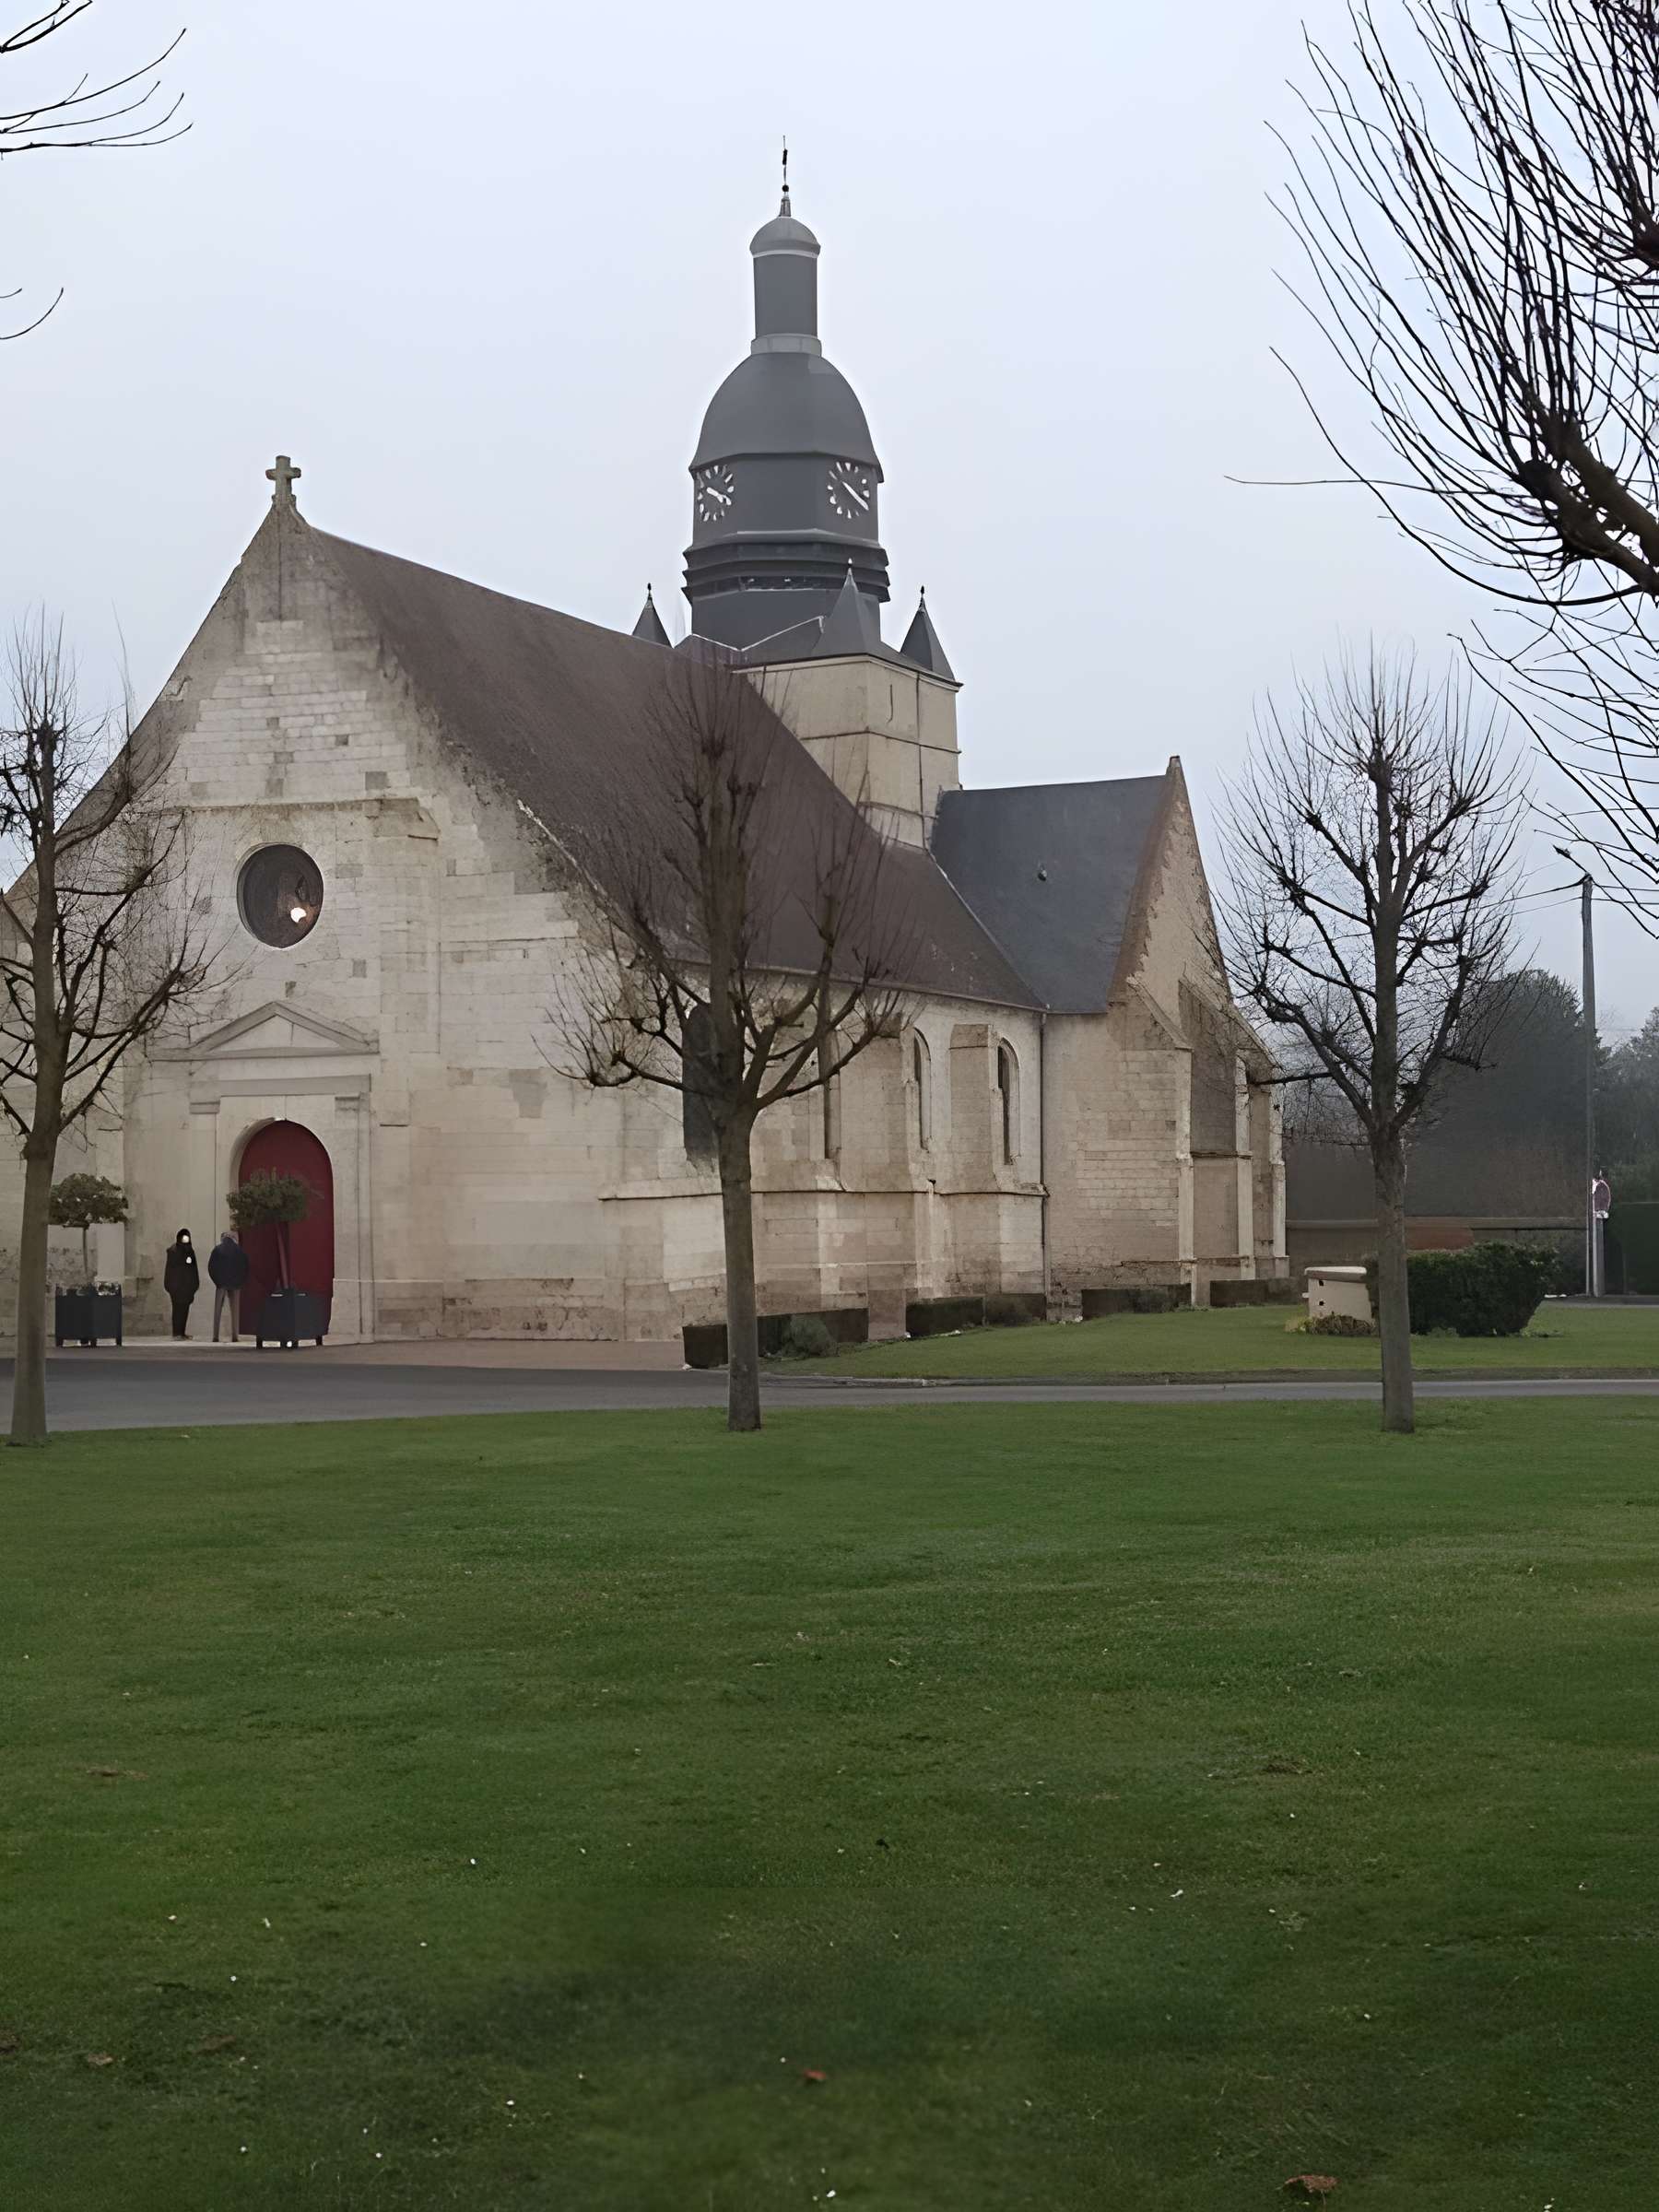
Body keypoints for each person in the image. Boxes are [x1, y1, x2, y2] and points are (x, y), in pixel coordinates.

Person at [207, 1230, 250, 1344]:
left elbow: (211, 1267)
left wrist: (217, 1281)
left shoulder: (217, 1250)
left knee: (217, 1310)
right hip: (236, 1284)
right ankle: (235, 1336)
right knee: (235, 1311)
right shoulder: (240, 1251)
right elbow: (245, 1267)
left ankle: (215, 1336)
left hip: (221, 1283)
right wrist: (240, 1281)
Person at [163, 1229, 199, 1340]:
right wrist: (170, 1286)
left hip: (187, 1286)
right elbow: (170, 1270)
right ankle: (176, 1333)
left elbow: (193, 1269)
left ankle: (181, 1332)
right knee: (177, 1309)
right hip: (177, 1286)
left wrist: (194, 1285)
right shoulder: (173, 1251)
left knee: (184, 1310)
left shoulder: (190, 1251)